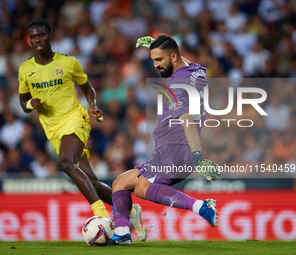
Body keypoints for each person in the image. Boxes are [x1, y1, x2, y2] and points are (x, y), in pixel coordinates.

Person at [18, 18, 146, 241]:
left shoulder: (68, 63)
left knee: (66, 163)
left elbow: (88, 89)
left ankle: (103, 216)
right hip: (53, 130)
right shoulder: (25, 69)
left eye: (41, 35)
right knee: (93, 182)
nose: (37, 39)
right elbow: (22, 101)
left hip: (75, 118)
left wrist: (93, 105)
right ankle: (132, 212)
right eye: (33, 37)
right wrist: (31, 104)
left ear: (49, 36)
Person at [110, 35, 220, 245]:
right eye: (153, 59)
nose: (156, 65)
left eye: (159, 59)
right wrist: (156, 43)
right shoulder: (194, 70)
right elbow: (182, 58)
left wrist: (198, 156)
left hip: (175, 149)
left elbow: (186, 120)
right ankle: (122, 233)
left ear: (173, 57)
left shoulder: (178, 83)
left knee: (142, 189)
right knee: (120, 183)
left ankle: (201, 207)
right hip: (173, 148)